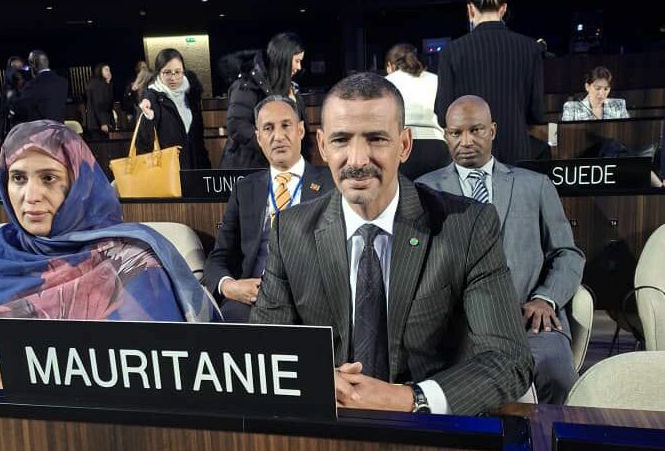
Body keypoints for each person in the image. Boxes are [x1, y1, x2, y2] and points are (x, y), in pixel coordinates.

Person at [250, 73, 532, 416]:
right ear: (323, 146)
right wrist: (314, 378)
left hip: (428, 429)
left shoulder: (468, 226)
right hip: (327, 423)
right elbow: (261, 351)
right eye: (341, 140)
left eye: (376, 139)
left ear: (404, 145)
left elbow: (509, 359)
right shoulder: (291, 231)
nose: (357, 159)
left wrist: (410, 399)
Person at [0, 120, 221, 388]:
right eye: (18, 178)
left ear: (79, 185)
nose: (31, 196)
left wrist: (14, 365)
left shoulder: (131, 259)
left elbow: (152, 365)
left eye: (48, 178)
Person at [417, 95, 584, 404]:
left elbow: (567, 253)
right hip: (456, 327)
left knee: (558, 376)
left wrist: (545, 298)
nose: (466, 141)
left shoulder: (535, 186)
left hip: (530, 321)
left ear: (492, 130)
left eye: (476, 130)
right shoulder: (423, 191)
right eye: (456, 133)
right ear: (446, 136)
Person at [204, 95, 333, 322]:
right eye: (268, 128)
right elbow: (219, 257)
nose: (278, 136)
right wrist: (230, 286)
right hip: (254, 300)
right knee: (229, 318)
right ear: (259, 137)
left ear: (301, 130)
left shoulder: (332, 185)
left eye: (286, 125)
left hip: (312, 301)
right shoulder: (245, 190)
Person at [435, 0, 545, 165]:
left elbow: (443, 114)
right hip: (516, 149)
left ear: (470, 9)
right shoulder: (530, 48)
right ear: (503, 9)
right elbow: (537, 113)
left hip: (469, 152)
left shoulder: (451, 51)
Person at [220, 32, 307, 169]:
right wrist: (272, 145)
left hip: (282, 167)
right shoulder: (247, 84)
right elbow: (237, 126)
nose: (299, 67)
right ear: (283, 59)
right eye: (296, 61)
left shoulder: (292, 88)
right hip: (249, 167)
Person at [138, 49, 211, 169]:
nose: (173, 77)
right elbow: (143, 143)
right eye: (167, 72)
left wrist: (205, 167)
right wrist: (148, 118)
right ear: (159, 73)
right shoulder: (152, 99)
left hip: (194, 168)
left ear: (183, 71)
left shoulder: (191, 95)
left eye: (177, 72)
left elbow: (198, 139)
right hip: (168, 171)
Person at [385, 43, 442, 140]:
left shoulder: (386, 82)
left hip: (399, 141)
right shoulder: (436, 79)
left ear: (390, 65)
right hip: (436, 139)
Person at [11, 50, 69, 125]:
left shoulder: (32, 85)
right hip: (59, 130)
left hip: (40, 130)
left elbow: (19, 108)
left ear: (33, 65)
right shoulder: (63, 82)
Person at [562, 66, 630, 121]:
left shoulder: (618, 105)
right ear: (587, 87)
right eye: (597, 88)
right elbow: (565, 132)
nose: (601, 93)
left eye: (606, 89)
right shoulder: (572, 109)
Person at [85, 63, 115, 140]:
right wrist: (104, 122)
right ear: (100, 71)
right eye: (106, 70)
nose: (109, 72)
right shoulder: (99, 84)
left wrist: (108, 83)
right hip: (100, 122)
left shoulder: (96, 83)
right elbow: (100, 104)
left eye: (109, 70)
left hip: (95, 122)